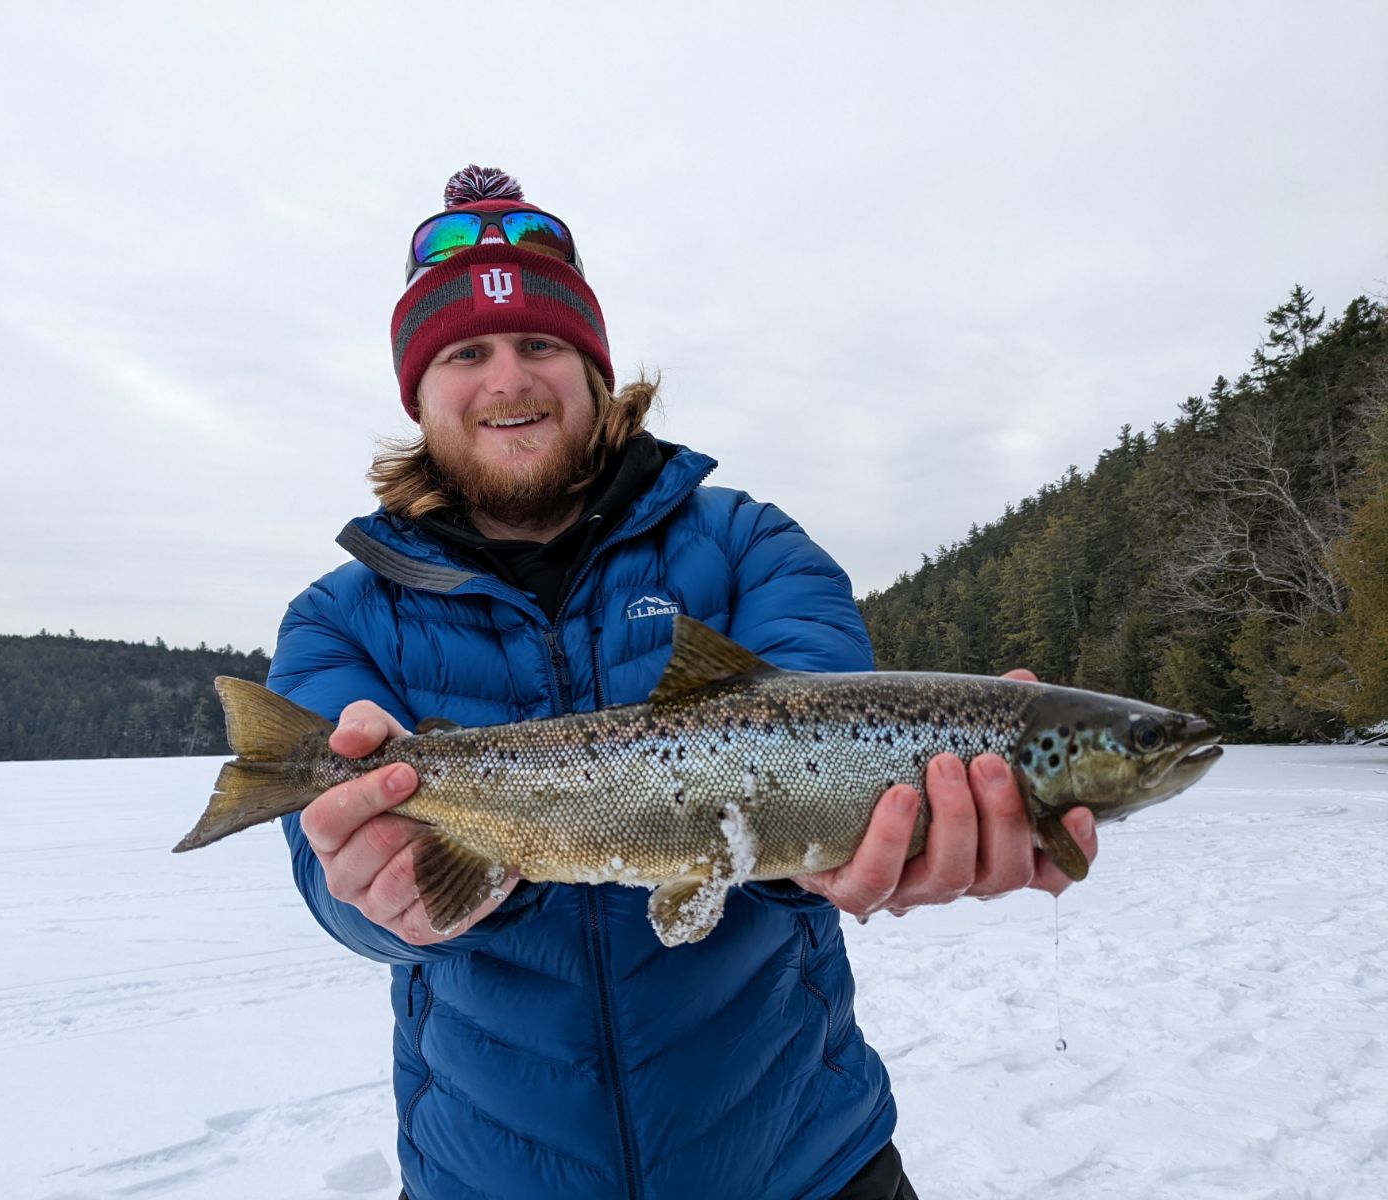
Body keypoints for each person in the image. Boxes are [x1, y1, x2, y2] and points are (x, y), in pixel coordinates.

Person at [268, 166, 1099, 1200]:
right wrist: (374, 891)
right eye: (466, 353)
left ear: (593, 369)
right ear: (418, 392)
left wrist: (848, 845)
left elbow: (827, 732)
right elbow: (323, 877)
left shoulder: (749, 543)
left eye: (539, 344)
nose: (508, 380)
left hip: (804, 1165)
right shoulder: (339, 617)